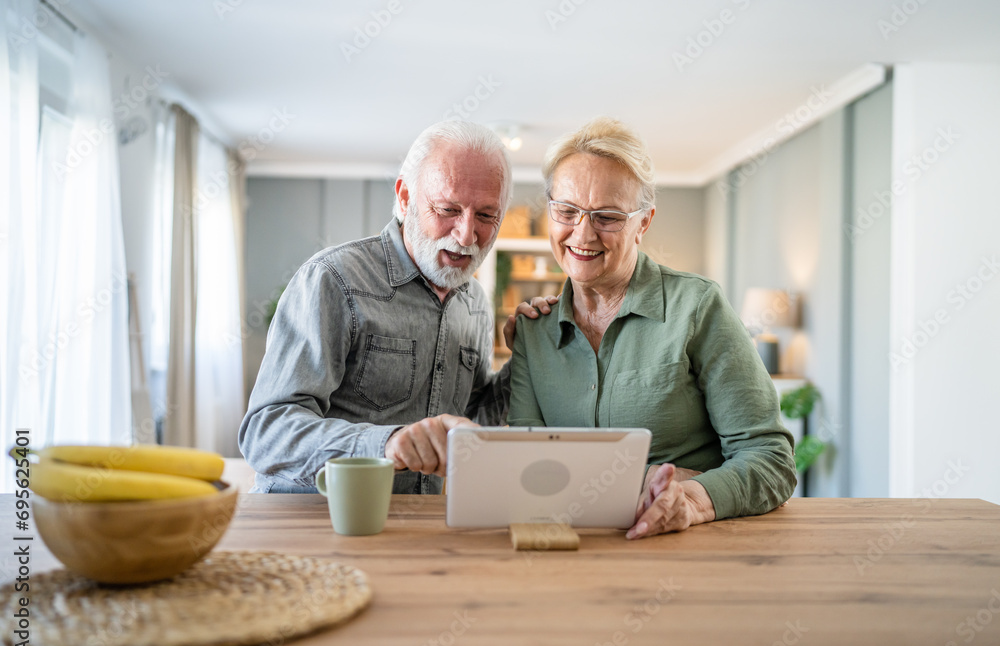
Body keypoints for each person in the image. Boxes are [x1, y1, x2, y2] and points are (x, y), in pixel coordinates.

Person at [507, 117, 796, 538]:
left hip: (687, 555)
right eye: (567, 211)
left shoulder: (697, 307)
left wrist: (694, 498)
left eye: (607, 216)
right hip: (571, 553)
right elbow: (527, 467)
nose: (582, 234)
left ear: (643, 222)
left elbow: (770, 458)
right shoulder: (533, 331)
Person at [239, 120, 512, 494]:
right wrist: (384, 445)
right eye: (448, 209)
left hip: (413, 532)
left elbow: (472, 424)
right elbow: (266, 433)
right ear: (404, 198)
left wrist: (531, 354)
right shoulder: (333, 280)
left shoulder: (475, 303)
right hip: (313, 527)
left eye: (485, 215)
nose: (467, 235)